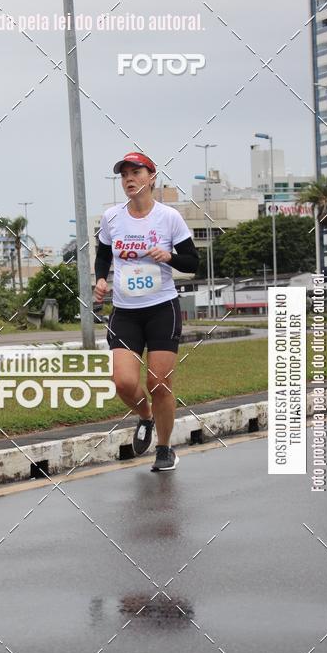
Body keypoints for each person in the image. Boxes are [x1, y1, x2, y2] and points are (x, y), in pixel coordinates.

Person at [94, 152, 199, 471]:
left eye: (136, 172)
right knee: (123, 382)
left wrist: (169, 257)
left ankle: (165, 449)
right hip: (125, 313)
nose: (129, 178)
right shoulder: (111, 217)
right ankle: (145, 416)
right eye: (124, 174)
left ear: (151, 177)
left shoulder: (169, 217)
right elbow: (103, 255)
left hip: (161, 310)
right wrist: (101, 279)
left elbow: (192, 263)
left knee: (159, 384)